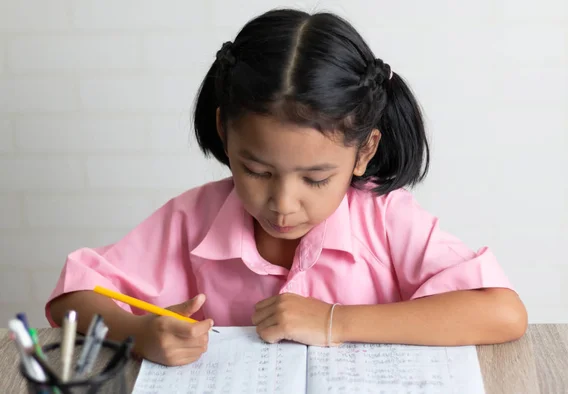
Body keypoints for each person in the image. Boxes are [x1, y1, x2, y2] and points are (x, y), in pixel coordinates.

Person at [47, 9, 527, 366]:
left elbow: (503, 313)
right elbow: (73, 296)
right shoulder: (192, 219)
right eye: (256, 171)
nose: (281, 204)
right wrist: (136, 332)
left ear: (364, 152)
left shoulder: (385, 219)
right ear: (224, 132)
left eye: (316, 179)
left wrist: (334, 321)